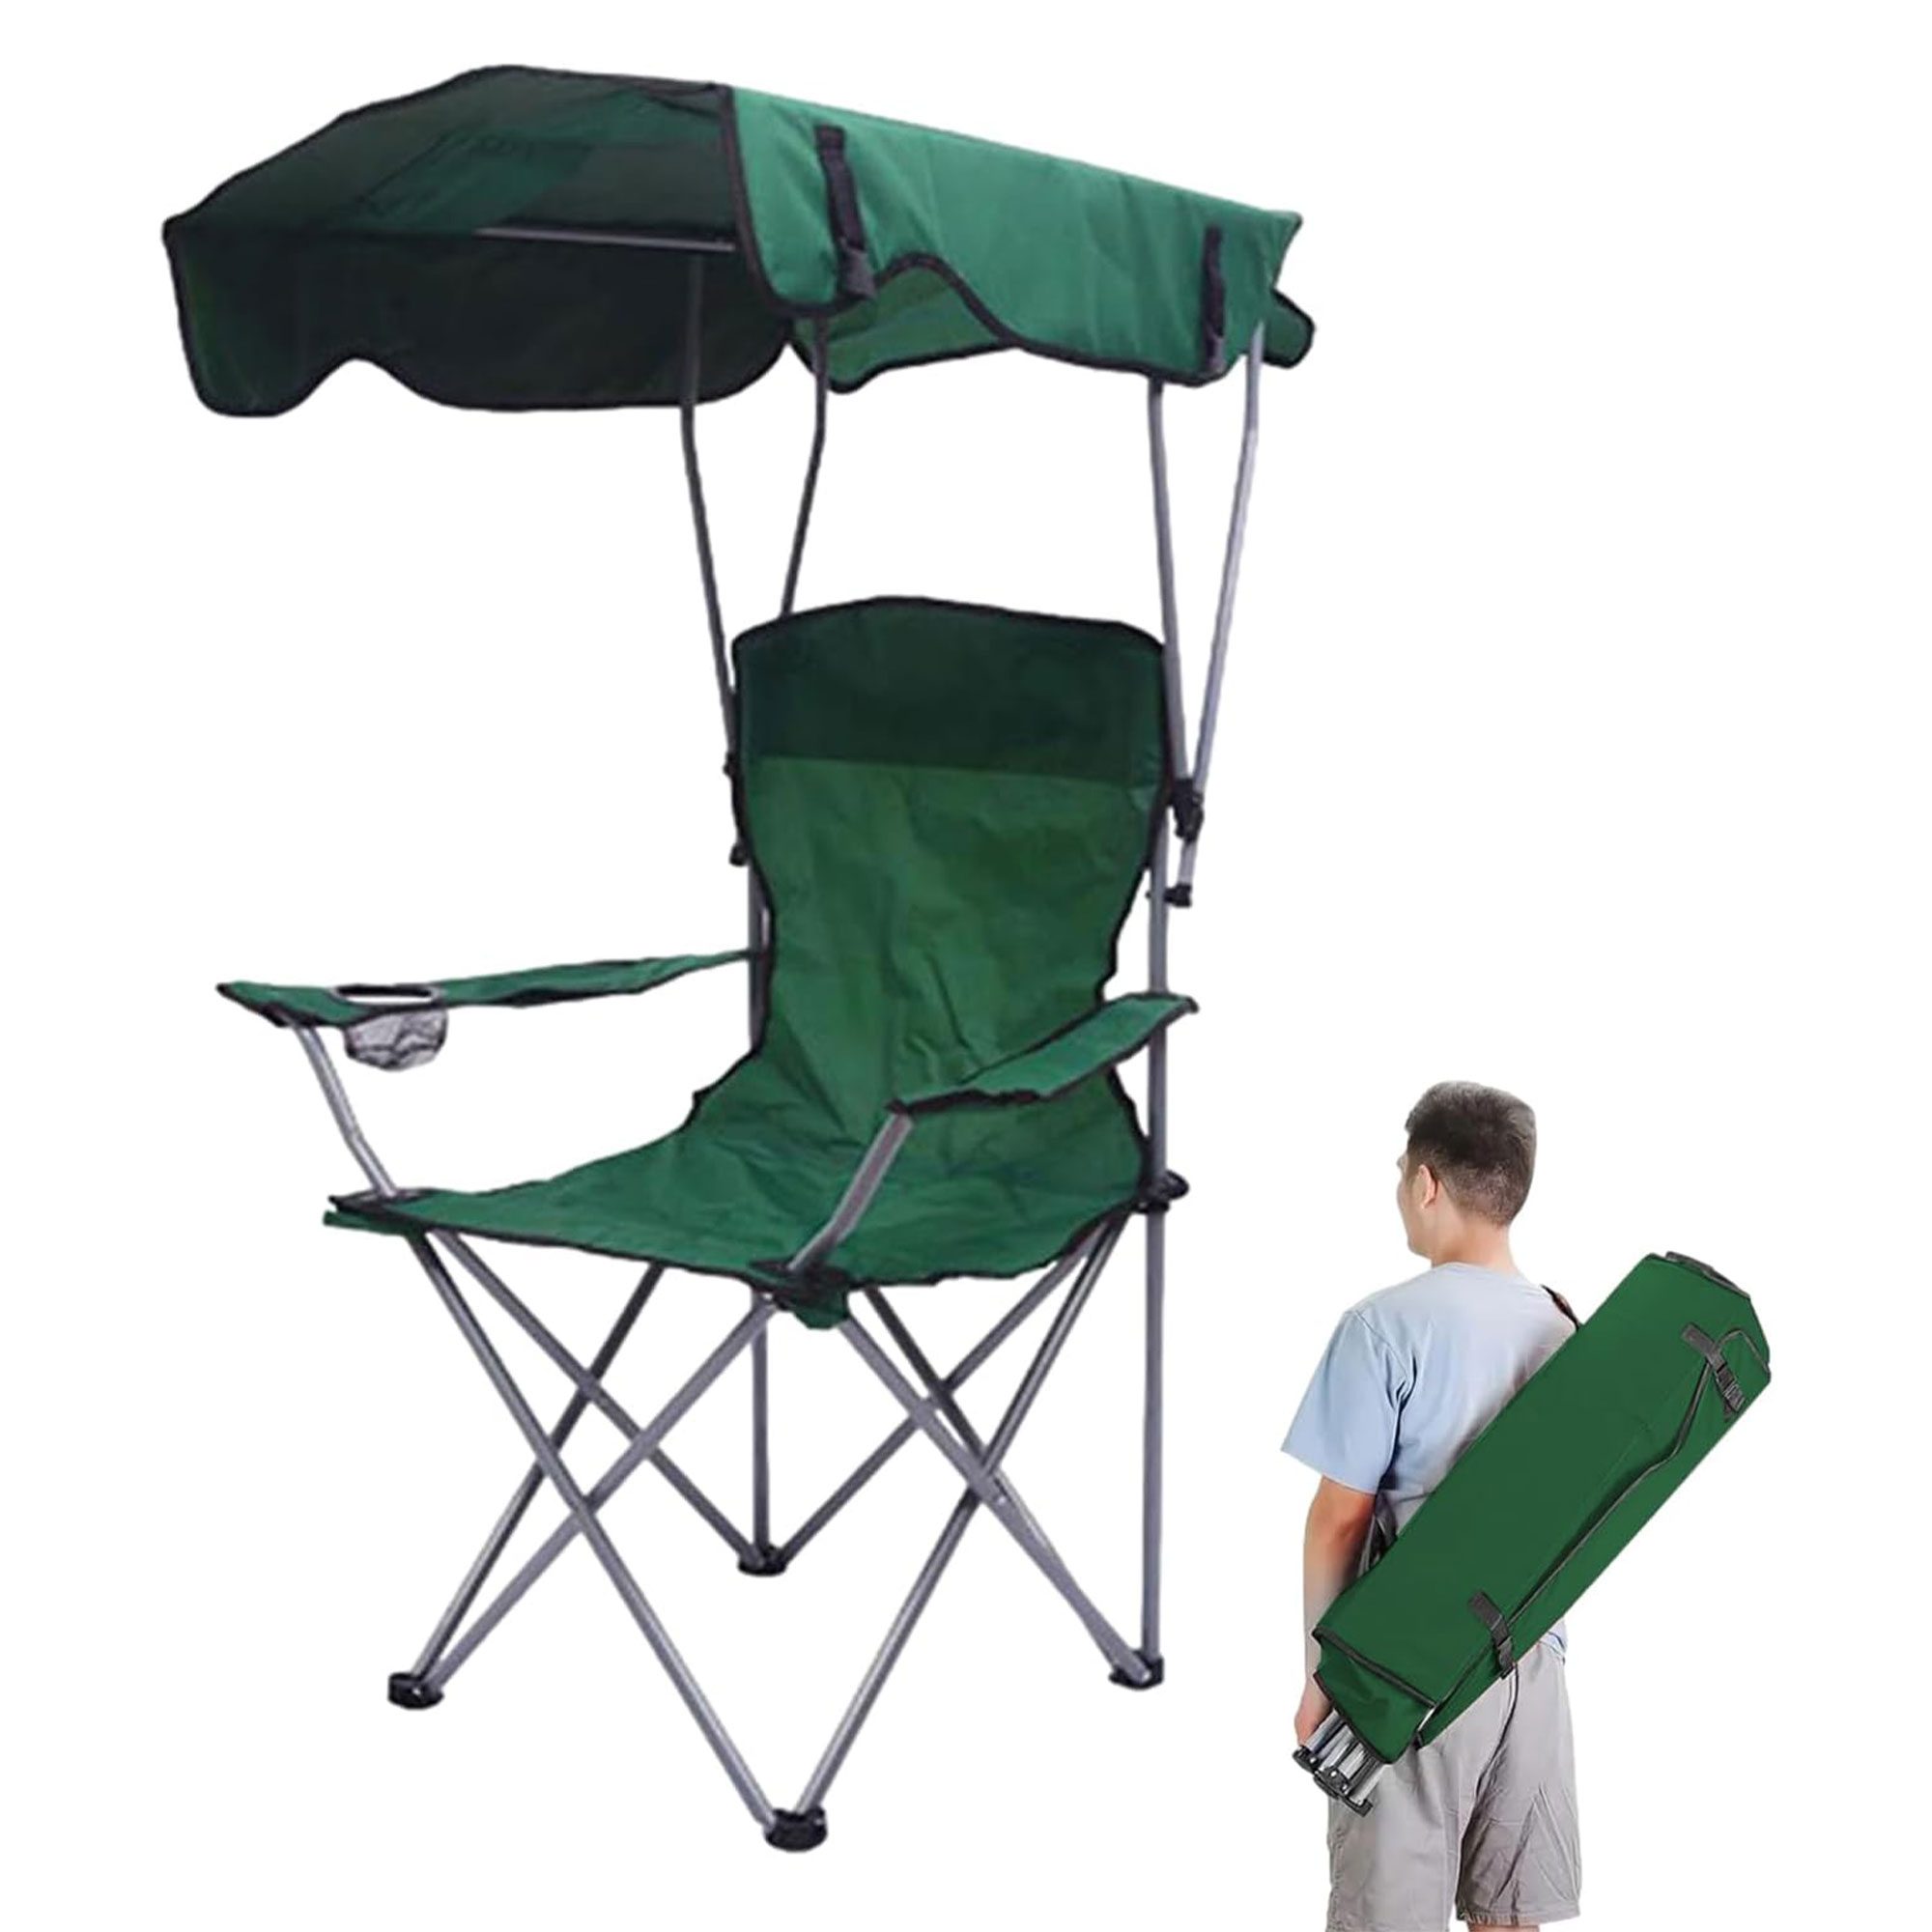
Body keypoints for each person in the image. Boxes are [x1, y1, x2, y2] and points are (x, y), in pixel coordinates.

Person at [1283, 1081, 1582, 1931]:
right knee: (1510, 1917)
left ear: (1426, 1183)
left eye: (1399, 1173)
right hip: (1533, 1666)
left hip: (1410, 1673)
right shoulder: (1568, 1331)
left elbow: (1340, 1518)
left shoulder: (1384, 1327)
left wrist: (1324, 1675)